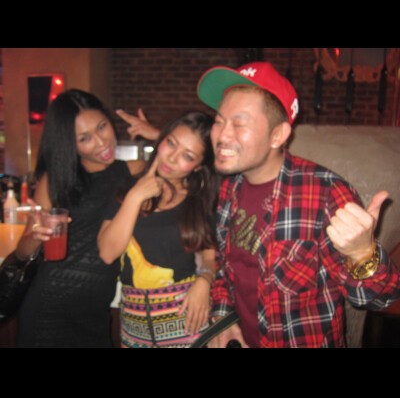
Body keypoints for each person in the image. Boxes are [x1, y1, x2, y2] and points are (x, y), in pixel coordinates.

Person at [196, 61, 400, 348]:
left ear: (277, 136)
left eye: (239, 124)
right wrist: (223, 318)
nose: (222, 135)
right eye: (219, 121)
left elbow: (381, 298)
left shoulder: (326, 194)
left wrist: (362, 253)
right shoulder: (229, 188)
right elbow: (224, 269)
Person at [15, 89, 149, 348]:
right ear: (70, 144)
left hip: (94, 313)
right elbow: (22, 253)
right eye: (84, 138)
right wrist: (37, 234)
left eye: (102, 127)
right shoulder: (54, 180)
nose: (101, 142)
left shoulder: (129, 170)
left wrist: (156, 134)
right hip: (48, 310)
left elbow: (182, 160)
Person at [98, 111, 218, 348]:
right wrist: (136, 196)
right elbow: (107, 253)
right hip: (134, 327)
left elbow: (210, 257)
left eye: (187, 156)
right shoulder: (127, 189)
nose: (172, 158)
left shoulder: (199, 200)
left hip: (188, 323)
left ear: (198, 166)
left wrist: (205, 280)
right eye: (171, 143)